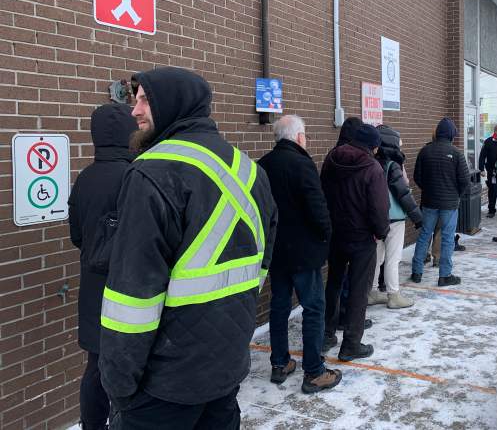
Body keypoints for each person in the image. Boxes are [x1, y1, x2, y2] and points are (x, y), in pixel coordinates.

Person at [99, 67, 277, 429]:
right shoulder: (250, 171)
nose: (135, 110)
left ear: (173, 104)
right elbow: (259, 265)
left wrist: (119, 385)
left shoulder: (151, 172)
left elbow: (132, 297)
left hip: (164, 384)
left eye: (145, 100)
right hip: (226, 367)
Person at [258, 115, 342, 394]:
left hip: (276, 252)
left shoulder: (263, 165)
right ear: (298, 137)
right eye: (305, 134)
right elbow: (317, 208)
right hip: (304, 253)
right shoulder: (302, 164)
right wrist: (326, 235)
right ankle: (314, 371)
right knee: (314, 308)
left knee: (279, 306)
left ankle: (280, 363)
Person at [68, 104, 137, 430]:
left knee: (95, 366)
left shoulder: (84, 178)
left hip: (92, 289)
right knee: (127, 369)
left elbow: (77, 236)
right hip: (128, 289)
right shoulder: (136, 176)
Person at [322, 124, 389, 361]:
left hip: (336, 233)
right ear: (373, 146)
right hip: (362, 238)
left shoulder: (331, 159)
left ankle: (326, 333)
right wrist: (381, 231)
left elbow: (323, 193)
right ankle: (351, 344)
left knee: (334, 283)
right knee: (359, 290)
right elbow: (379, 207)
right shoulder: (372, 168)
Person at [367, 125, 422, 309]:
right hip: (394, 219)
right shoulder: (393, 166)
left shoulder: (371, 163)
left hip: (376, 218)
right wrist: (417, 217)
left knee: (377, 257)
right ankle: (393, 295)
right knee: (393, 258)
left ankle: (372, 291)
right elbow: (403, 194)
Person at [410, 118, 470, 286]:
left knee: (424, 234)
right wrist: (456, 194)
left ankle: (416, 272)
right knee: (447, 238)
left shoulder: (425, 151)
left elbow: (417, 177)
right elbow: (465, 180)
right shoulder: (456, 153)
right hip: (449, 205)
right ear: (451, 135)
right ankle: (444, 275)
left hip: (429, 202)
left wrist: (428, 190)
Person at [478, 125, 497, 218]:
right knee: (492, 190)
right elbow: (482, 156)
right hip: (492, 171)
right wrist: (481, 169)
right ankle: (491, 210)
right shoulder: (488, 142)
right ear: (496, 132)